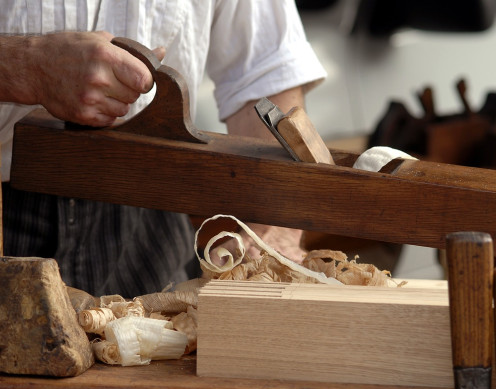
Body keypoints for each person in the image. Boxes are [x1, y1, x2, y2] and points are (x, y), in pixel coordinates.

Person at [0, 2, 327, 298]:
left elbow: (264, 73)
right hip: (9, 212)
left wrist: (271, 220)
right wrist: (25, 64)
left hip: (152, 218)